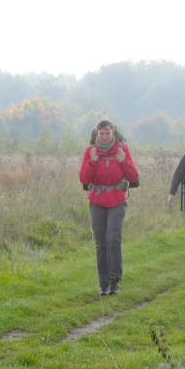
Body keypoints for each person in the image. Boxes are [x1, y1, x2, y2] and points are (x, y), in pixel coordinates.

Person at [80, 119, 139, 296]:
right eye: (101, 134)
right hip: (97, 200)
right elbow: (84, 179)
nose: (105, 137)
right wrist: (92, 161)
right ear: (97, 134)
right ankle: (103, 284)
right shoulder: (90, 152)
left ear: (112, 132)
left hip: (117, 199)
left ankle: (115, 281)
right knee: (101, 243)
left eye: (107, 133)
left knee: (113, 239)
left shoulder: (122, 150)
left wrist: (123, 161)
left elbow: (134, 177)